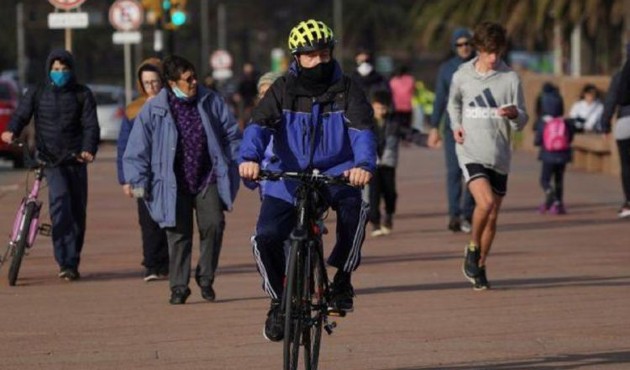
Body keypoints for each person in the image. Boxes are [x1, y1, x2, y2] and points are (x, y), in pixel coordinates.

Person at [239, 19, 376, 342]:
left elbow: (362, 132)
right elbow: (258, 126)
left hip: (336, 173)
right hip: (287, 177)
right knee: (265, 238)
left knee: (355, 212)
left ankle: (342, 279)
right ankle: (277, 301)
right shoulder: (282, 89)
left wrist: (364, 165)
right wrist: (249, 159)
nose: (318, 61)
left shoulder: (348, 89)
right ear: (296, 57)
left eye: (324, 53)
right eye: (310, 55)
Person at [123, 55, 241, 304]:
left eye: (195, 76)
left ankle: (206, 277)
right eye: (188, 79)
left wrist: (239, 160)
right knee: (178, 233)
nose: (194, 82)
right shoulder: (154, 110)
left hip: (207, 177)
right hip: (171, 182)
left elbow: (232, 134)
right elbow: (137, 149)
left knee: (214, 224)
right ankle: (178, 286)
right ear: (172, 83)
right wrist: (137, 180)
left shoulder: (210, 101)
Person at [1, 49, 100, 281]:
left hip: (76, 159)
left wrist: (88, 149)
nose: (60, 73)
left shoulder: (82, 94)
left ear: (72, 70)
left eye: (64, 70)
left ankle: (72, 262)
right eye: (56, 69)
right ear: (49, 70)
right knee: (60, 203)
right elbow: (21, 115)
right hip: (50, 159)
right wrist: (11, 131)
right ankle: (64, 261)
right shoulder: (37, 92)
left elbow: (91, 127)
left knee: (77, 212)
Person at [447, 21, 528, 290]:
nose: (493, 58)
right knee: (486, 203)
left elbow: (523, 119)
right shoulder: (462, 75)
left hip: (500, 153)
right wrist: (456, 126)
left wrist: (515, 114)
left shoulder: (510, 78)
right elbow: (453, 103)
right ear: (479, 49)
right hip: (470, 150)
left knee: (493, 216)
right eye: (488, 52)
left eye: (498, 53)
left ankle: (480, 264)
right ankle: (471, 248)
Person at [116, 58, 169, 282]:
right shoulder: (133, 110)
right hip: (140, 175)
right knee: (146, 218)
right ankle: (151, 264)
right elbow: (124, 146)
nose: (151, 87)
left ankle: (167, 261)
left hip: (168, 173)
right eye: (146, 83)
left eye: (155, 81)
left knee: (169, 218)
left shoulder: (173, 106)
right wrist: (126, 179)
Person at [428, 28, 476, 233]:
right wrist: (433, 127)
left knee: (474, 173)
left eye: (467, 43)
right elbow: (440, 99)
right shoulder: (447, 69)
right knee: (454, 172)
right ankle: (454, 215)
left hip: (476, 128)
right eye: (459, 44)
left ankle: (468, 214)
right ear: (454, 46)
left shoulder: (479, 65)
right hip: (452, 128)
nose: (464, 47)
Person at [533, 82, 573, 214]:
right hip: (563, 155)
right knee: (559, 179)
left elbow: (538, 140)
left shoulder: (543, 122)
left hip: (548, 155)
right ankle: (558, 204)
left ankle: (549, 192)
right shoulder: (565, 122)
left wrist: (538, 143)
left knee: (545, 179)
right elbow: (570, 138)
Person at [601, 48, 630, 218]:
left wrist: (605, 125)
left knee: (627, 165)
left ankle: (628, 202)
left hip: (625, 123)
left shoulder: (620, 75)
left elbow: (611, 100)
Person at [368, 90, 399, 237]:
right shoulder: (366, 122)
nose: (382, 111)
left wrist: (425, 140)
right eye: (379, 108)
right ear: (372, 106)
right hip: (372, 164)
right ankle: (375, 223)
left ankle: (388, 215)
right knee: (373, 194)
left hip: (387, 163)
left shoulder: (393, 122)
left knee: (390, 193)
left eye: (384, 108)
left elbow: (410, 133)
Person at [389, 65, 415, 141]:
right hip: (407, 105)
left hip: (396, 105)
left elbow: (391, 92)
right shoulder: (410, 79)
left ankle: (398, 137)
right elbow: (413, 90)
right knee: (406, 124)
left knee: (397, 123)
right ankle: (406, 138)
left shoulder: (393, 80)